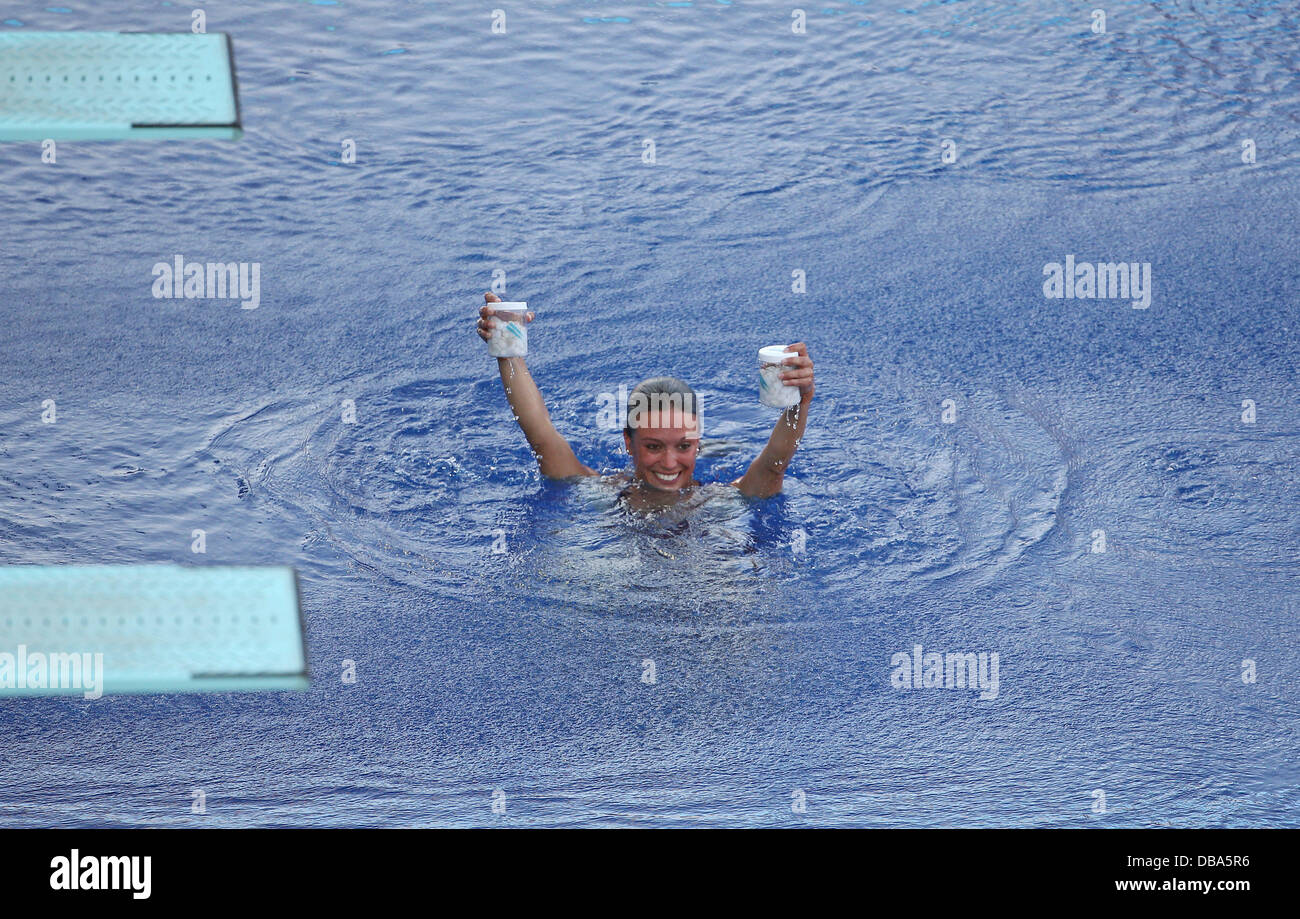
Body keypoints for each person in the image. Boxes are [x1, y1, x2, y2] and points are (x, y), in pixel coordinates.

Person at [475, 292, 814, 503]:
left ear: (698, 444)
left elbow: (773, 465)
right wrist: (508, 352)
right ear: (628, 442)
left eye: (683, 446)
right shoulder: (598, 494)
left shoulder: (720, 502)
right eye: (653, 446)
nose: (669, 463)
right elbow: (541, 435)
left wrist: (802, 400)